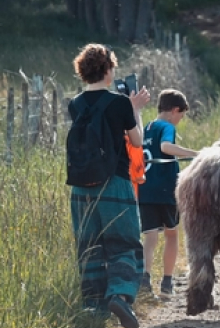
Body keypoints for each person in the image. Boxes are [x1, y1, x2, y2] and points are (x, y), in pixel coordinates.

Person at [69, 43, 150, 328]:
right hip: (114, 184)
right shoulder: (119, 103)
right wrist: (135, 109)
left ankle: (93, 309)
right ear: (107, 69)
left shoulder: (74, 103)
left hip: (79, 188)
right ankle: (120, 295)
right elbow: (137, 141)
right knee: (123, 244)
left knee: (89, 247)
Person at [138, 89, 199, 300]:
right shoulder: (166, 127)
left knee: (150, 236)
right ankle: (166, 282)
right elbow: (166, 147)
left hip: (144, 190)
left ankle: (145, 279)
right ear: (175, 110)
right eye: (181, 116)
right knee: (172, 234)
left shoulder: (146, 127)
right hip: (165, 191)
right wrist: (195, 154)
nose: (179, 120)